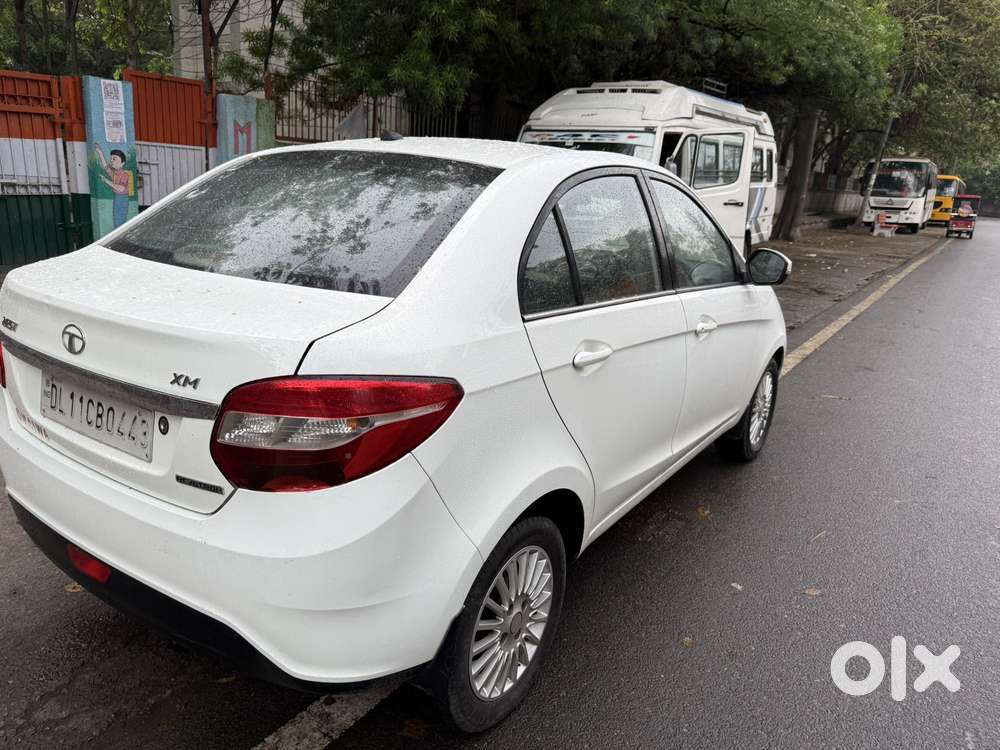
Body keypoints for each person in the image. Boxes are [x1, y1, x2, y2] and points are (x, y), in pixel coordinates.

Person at [95, 146, 133, 227]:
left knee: (120, 219)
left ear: (122, 163)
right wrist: (100, 153)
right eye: (111, 159)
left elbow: (121, 188)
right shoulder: (114, 173)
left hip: (122, 198)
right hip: (117, 198)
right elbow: (105, 167)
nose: (111, 161)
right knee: (116, 219)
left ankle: (120, 236)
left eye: (114, 159)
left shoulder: (124, 174)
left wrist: (106, 181)